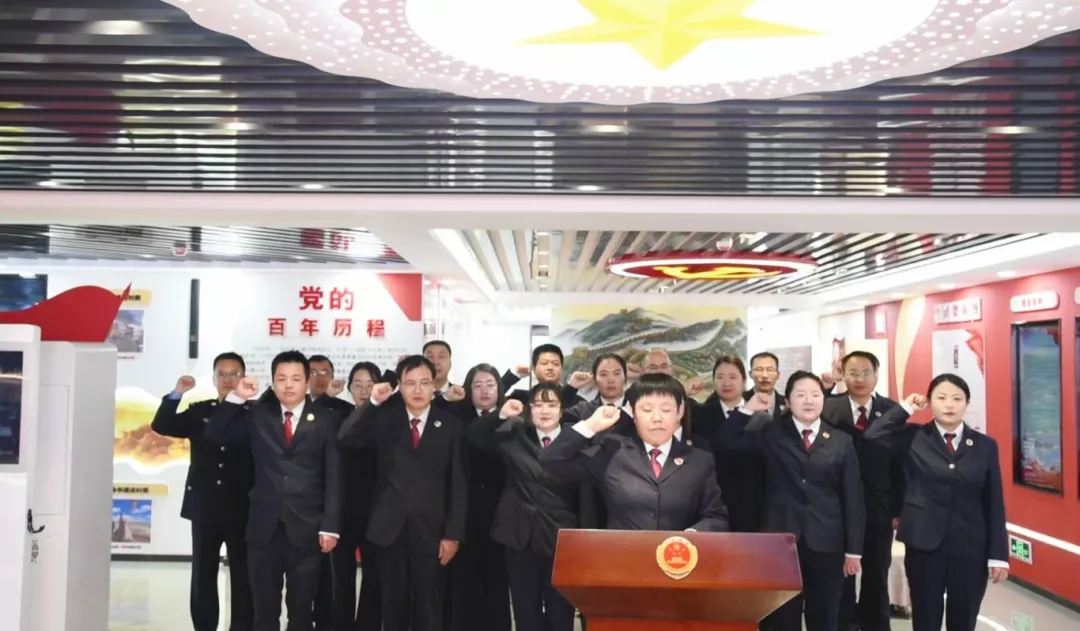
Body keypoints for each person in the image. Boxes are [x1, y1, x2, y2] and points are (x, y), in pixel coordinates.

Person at [204, 350, 343, 631]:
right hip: (263, 529)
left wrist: (331, 526)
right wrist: (237, 397)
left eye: (295, 379)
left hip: (307, 529)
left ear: (307, 382)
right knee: (264, 613)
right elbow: (214, 434)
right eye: (281, 379)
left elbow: (334, 476)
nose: (288, 385)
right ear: (272, 381)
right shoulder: (258, 415)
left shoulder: (327, 419)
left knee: (301, 612)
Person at [721, 371, 864, 631]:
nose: (809, 400)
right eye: (800, 395)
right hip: (779, 542)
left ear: (824, 399)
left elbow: (853, 497)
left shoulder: (841, 440)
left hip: (827, 542)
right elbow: (727, 444)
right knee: (781, 620)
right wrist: (746, 410)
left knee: (825, 617)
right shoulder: (770, 433)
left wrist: (853, 550)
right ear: (787, 400)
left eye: (815, 394)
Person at [864, 374, 1008, 631]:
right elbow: (873, 435)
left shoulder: (985, 446)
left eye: (957, 399)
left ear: (967, 403)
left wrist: (998, 556)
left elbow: (994, 502)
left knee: (963, 620)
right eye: (941, 398)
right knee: (926, 619)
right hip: (924, 545)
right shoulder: (912, 437)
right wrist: (906, 408)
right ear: (929, 402)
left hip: (970, 547)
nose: (949, 405)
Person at [337, 355, 468, 631]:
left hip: (433, 533)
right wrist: (373, 403)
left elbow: (458, 483)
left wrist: (453, 534)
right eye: (410, 383)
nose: (417, 390)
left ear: (434, 386)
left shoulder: (451, 426)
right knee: (392, 608)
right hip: (389, 531)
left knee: (428, 609)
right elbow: (347, 437)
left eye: (424, 382)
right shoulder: (384, 419)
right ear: (400, 386)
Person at [541, 373, 729, 532]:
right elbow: (551, 461)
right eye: (647, 409)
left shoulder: (699, 459)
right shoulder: (613, 452)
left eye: (666, 409)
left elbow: (716, 515)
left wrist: (692, 536)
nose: (657, 418)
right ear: (633, 413)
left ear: (680, 412)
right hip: (623, 558)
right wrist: (591, 425)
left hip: (677, 558)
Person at [466, 384, 585, 631]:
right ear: (529, 409)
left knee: (560, 615)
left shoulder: (576, 440)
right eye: (538, 405)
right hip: (520, 538)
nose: (545, 411)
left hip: (561, 540)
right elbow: (475, 434)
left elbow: (585, 495)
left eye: (551, 404)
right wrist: (500, 414)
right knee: (525, 613)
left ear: (562, 410)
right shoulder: (515, 433)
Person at [149, 351, 254, 631]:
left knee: (244, 574)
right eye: (222, 374)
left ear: (243, 377)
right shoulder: (200, 410)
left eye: (234, 374)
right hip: (205, 506)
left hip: (243, 507)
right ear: (214, 378)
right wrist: (177, 393)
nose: (228, 379)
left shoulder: (255, 413)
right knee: (203, 573)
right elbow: (162, 425)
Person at [824, 351, 901, 631]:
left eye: (866, 373)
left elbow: (900, 464)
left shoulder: (893, 411)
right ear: (843, 376)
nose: (859, 379)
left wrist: (898, 509)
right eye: (853, 373)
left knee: (877, 571)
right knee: (841, 573)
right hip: (839, 507)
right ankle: (843, 624)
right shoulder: (829, 407)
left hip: (878, 507)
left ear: (876, 375)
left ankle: (875, 624)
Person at [439, 363, 511, 631]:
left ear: (499, 388)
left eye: (490, 385)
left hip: (501, 512)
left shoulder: (512, 418)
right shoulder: (457, 417)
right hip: (464, 512)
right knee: (463, 583)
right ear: (469, 389)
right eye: (478, 385)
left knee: (497, 584)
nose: (484, 390)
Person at [745, 352, 785, 418]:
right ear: (750, 374)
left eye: (770, 370)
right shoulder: (740, 401)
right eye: (759, 369)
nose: (764, 375)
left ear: (778, 375)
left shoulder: (787, 403)